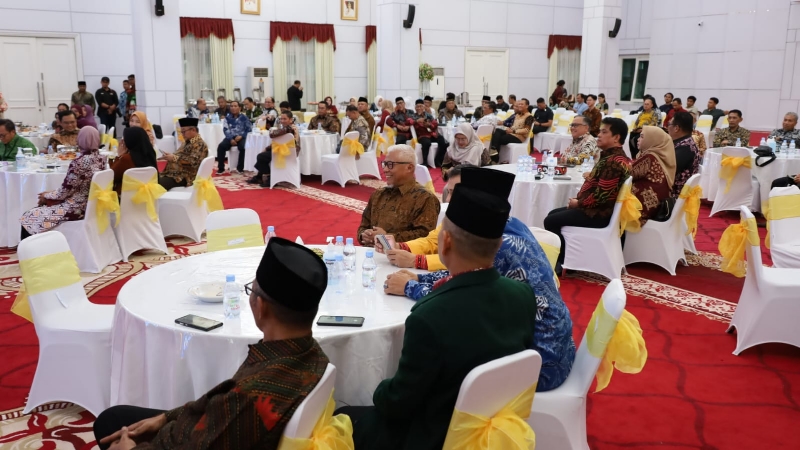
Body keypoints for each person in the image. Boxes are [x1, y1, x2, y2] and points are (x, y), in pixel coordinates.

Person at [338, 178, 538, 450]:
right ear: (498, 243)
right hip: (490, 419)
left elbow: (398, 401)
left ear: (445, 243)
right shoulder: (522, 294)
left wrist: (376, 387)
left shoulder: (429, 315)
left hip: (433, 433)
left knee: (343, 416)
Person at [93, 237, 336, 450]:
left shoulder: (250, 397)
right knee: (115, 418)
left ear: (260, 307)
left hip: (191, 439)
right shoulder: (311, 353)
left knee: (109, 422)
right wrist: (168, 417)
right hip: (206, 427)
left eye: (251, 290)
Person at [380, 166, 575, 392]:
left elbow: (458, 304)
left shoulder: (498, 244)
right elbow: (467, 277)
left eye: (456, 192)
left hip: (535, 362)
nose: (451, 199)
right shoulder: (507, 225)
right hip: (557, 347)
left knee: (436, 363)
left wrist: (410, 287)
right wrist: (422, 278)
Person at [544, 117, 632, 273]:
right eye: (599, 131)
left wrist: (578, 204)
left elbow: (601, 197)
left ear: (616, 137)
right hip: (601, 210)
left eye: (604, 132)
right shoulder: (616, 157)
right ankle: (569, 260)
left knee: (551, 220)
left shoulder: (613, 161)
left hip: (600, 214)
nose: (598, 135)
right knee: (553, 214)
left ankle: (564, 263)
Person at [20, 127, 104, 239]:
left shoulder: (79, 163)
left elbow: (64, 192)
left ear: (80, 140)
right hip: (91, 204)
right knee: (39, 209)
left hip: (76, 208)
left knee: (28, 216)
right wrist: (51, 194)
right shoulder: (101, 159)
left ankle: (31, 253)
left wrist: (46, 195)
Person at [357, 145, 439, 245]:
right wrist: (364, 235)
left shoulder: (425, 198)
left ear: (409, 168)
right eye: (384, 164)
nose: (385, 169)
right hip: (371, 254)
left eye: (390, 165)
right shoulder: (378, 194)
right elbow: (364, 226)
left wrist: (387, 238)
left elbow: (425, 237)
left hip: (403, 258)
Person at [631, 126, 676, 225]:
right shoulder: (657, 155)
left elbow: (627, 174)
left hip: (645, 209)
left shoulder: (649, 157)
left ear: (652, 140)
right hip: (658, 205)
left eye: (642, 137)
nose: (638, 139)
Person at [249, 112, 301, 188]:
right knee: (263, 156)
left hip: (288, 152)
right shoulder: (287, 128)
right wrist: (267, 148)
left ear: (291, 120)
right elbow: (279, 141)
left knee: (261, 157)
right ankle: (260, 177)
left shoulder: (290, 128)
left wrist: (267, 148)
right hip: (282, 149)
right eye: (281, 119)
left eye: (285, 119)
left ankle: (269, 176)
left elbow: (272, 134)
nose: (282, 121)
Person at [159, 117, 209, 190]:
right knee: (152, 179)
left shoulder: (199, 144)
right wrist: (170, 156)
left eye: (184, 132)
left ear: (193, 130)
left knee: (156, 184)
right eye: (181, 132)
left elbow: (192, 162)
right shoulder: (186, 142)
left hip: (184, 177)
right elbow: (180, 156)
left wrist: (173, 158)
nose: (182, 134)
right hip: (174, 174)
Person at [111, 127, 158, 196]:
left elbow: (111, 176)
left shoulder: (127, 159)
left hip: (124, 199)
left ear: (130, 141)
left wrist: (119, 156)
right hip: (147, 198)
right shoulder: (150, 154)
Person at [667, 112, 701, 198]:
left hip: (673, 195)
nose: (667, 127)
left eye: (669, 124)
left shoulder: (685, 148)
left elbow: (668, 170)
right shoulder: (685, 142)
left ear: (676, 128)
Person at [489, 98, 533, 162]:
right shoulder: (517, 115)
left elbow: (526, 130)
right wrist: (510, 129)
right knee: (497, 131)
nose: (519, 105)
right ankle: (494, 151)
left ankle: (494, 158)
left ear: (527, 106)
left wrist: (513, 131)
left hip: (519, 137)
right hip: (512, 133)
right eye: (519, 104)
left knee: (500, 138)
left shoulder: (529, 117)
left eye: (522, 104)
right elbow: (513, 126)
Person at [216, 100, 251, 174]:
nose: (233, 108)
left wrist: (241, 136)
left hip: (241, 137)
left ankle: (240, 168)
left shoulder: (244, 118)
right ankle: (221, 168)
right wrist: (231, 139)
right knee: (221, 147)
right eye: (231, 106)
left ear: (239, 108)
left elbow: (249, 129)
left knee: (243, 147)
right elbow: (225, 130)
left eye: (235, 106)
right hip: (230, 137)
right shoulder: (227, 118)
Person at [412, 99, 448, 167]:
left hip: (432, 134)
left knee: (444, 141)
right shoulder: (413, 116)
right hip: (422, 135)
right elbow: (409, 121)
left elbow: (435, 123)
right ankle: (425, 162)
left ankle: (438, 160)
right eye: (417, 107)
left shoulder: (428, 115)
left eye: (421, 106)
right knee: (426, 143)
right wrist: (417, 121)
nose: (419, 108)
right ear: (415, 108)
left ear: (424, 107)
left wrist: (429, 125)